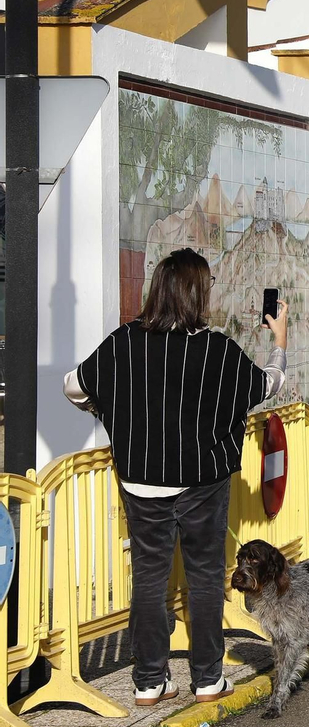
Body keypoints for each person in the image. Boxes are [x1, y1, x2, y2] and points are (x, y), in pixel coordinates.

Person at [65, 248, 290, 704]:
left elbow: (73, 384)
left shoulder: (122, 342)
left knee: (148, 577)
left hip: (140, 478)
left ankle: (149, 682)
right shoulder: (216, 348)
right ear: (198, 293)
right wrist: (280, 344)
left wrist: (101, 407)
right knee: (205, 576)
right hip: (203, 479)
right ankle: (207, 678)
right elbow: (265, 386)